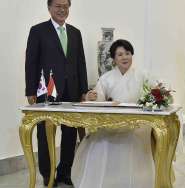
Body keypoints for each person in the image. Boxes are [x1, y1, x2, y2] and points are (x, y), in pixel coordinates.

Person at [71, 39, 155, 188]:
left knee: (132, 137)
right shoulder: (106, 78)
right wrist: (92, 97)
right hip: (112, 122)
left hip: (136, 123)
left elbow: (155, 93)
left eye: (127, 53)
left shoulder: (143, 75)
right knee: (99, 140)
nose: (124, 57)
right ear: (114, 59)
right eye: (120, 54)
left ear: (132, 55)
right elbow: (99, 98)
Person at [25, 0, 88, 186]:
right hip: (47, 90)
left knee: (69, 135)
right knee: (45, 135)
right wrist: (30, 90)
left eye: (66, 6)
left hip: (72, 91)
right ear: (49, 8)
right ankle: (48, 174)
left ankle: (65, 172)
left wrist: (83, 90)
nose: (62, 10)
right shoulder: (38, 31)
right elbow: (31, 62)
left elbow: (81, 63)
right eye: (58, 6)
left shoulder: (76, 33)